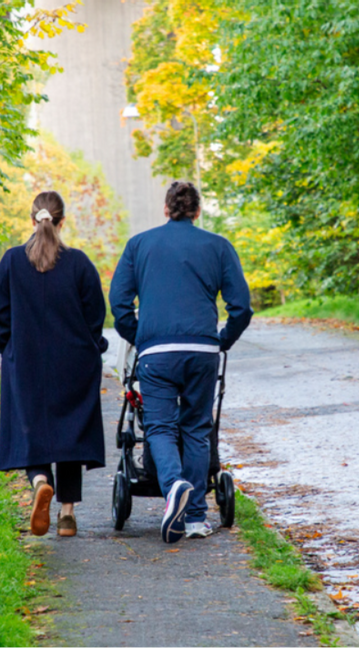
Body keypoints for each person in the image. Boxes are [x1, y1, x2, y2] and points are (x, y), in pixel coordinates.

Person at [108, 181, 253, 543]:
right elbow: (242, 307)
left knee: (159, 427)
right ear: (197, 211)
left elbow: (119, 301)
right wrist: (223, 341)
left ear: (165, 208)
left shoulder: (139, 245)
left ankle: (173, 485)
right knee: (196, 428)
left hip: (156, 350)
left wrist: (138, 335)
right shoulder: (218, 247)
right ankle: (194, 518)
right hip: (202, 350)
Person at [0, 190, 109, 537]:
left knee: (32, 426)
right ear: (61, 222)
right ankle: (67, 514)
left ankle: (41, 480)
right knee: (69, 431)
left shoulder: (11, 261)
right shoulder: (79, 263)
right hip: (73, 363)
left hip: (26, 362)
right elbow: (96, 318)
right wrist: (93, 349)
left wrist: (9, 351)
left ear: (33, 220)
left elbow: (1, 317)